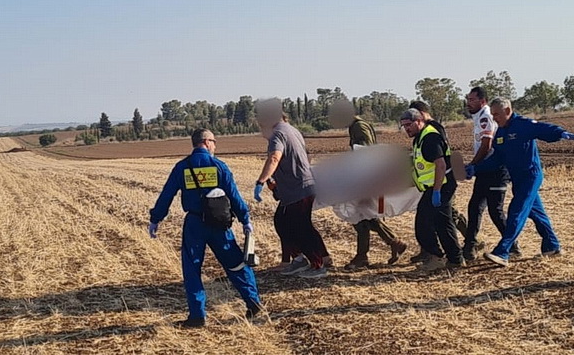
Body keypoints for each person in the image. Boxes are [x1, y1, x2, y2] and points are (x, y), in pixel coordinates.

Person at [149, 129, 262, 327]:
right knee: (236, 264)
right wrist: (245, 219)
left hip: (194, 224)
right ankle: (253, 303)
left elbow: (167, 195)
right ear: (206, 142)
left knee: (192, 268)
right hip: (219, 224)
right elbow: (234, 196)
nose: (215, 145)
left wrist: (155, 219)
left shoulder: (182, 167)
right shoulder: (219, 166)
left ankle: (197, 316)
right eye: (214, 141)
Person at [468, 98, 574, 268]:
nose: (494, 118)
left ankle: (503, 251)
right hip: (517, 179)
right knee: (535, 212)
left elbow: (541, 128)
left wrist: (560, 133)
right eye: (492, 115)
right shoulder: (500, 133)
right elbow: (497, 158)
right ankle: (552, 246)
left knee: (517, 210)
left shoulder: (522, 124)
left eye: (497, 114)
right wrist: (475, 168)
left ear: (508, 111)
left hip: (531, 176)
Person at [254, 98, 331, 278]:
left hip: (298, 190)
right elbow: (306, 156)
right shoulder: (292, 130)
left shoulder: (278, 134)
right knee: (282, 221)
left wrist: (261, 181)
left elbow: (274, 158)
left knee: (299, 227)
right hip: (298, 188)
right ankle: (300, 260)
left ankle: (318, 265)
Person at [328, 100, 408, 270]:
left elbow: (365, 152)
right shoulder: (355, 126)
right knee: (365, 215)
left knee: (360, 215)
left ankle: (364, 255)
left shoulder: (359, 127)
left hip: (366, 175)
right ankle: (392, 243)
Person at [400, 108, 465, 270]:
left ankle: (438, 258)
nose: (406, 128)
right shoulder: (420, 138)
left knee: (424, 224)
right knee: (442, 223)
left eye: (409, 124)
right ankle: (455, 259)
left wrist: (436, 191)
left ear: (419, 121)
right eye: (404, 126)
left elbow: (440, 165)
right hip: (436, 186)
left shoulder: (430, 138)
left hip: (441, 186)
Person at [463, 87, 520, 262]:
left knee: (495, 211)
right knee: (474, 208)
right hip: (485, 170)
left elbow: (487, 145)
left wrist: (473, 165)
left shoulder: (486, 117)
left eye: (472, 99)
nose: (468, 103)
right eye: (468, 99)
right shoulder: (479, 117)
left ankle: (513, 247)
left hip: (495, 170)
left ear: (482, 101)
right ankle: (469, 247)